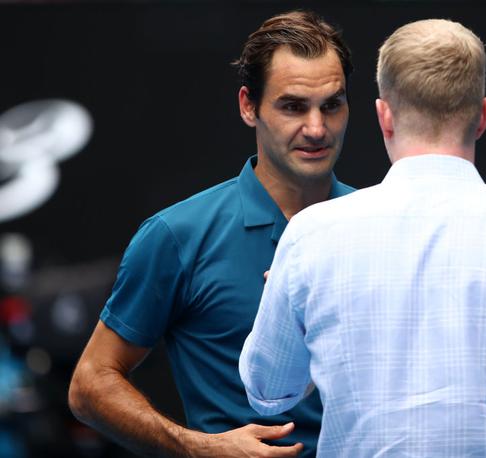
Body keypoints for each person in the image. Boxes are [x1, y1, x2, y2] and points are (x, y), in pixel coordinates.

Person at [239, 18, 486, 457]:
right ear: (482, 117)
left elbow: (270, 393)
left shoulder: (312, 237)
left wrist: (301, 311)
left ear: (384, 116)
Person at [68, 10, 354, 458]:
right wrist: (198, 448)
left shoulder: (379, 225)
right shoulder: (178, 235)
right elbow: (90, 383)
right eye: (293, 106)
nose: (316, 128)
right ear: (248, 106)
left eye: (331, 105)